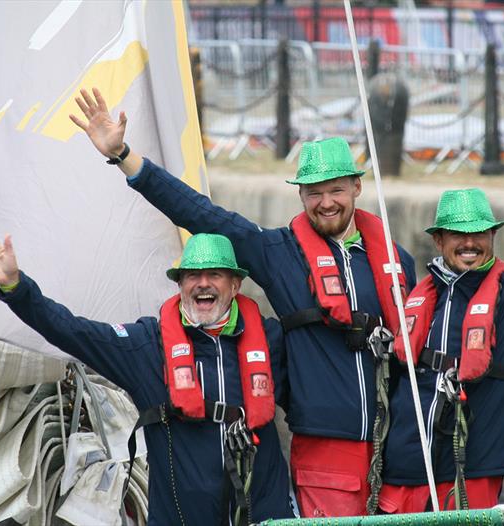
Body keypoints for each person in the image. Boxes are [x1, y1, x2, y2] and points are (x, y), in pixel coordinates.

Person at [69, 88, 416, 517]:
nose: (326, 202)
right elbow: (201, 214)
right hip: (326, 453)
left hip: (395, 444)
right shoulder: (278, 254)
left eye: (337, 190)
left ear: (357, 188)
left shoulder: (398, 263)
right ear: (301, 195)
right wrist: (123, 156)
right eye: (314, 193)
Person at [0, 231, 294, 525]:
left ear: (235, 285)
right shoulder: (146, 346)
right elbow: (72, 331)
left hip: (262, 513)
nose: (202, 283)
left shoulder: (271, 339)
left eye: (214, 275)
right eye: (192, 275)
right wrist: (16, 287)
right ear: (179, 285)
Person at [378, 96, 504, 513]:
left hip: (472, 472)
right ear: (439, 240)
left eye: (479, 233)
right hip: (402, 472)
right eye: (457, 234)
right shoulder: (418, 295)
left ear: (492, 236)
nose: (469, 242)